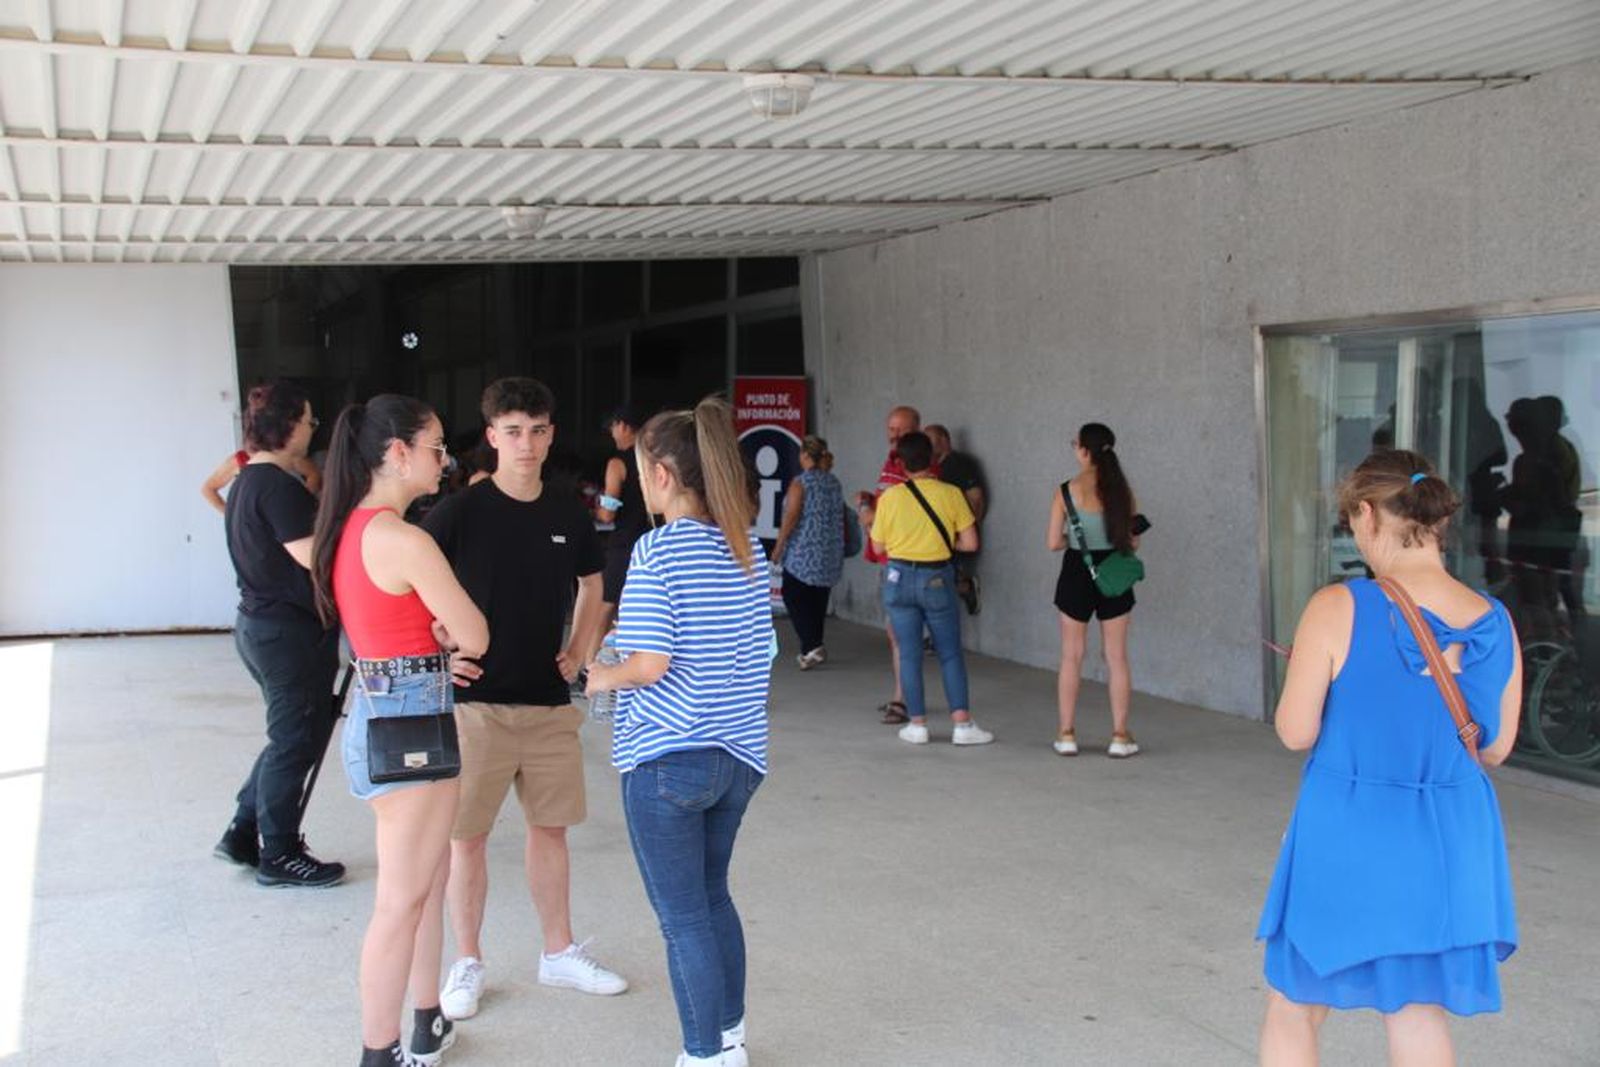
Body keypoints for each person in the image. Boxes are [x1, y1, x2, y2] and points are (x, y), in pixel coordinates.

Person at [1256, 449, 1520, 1066]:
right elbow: (1496, 747)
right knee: (1418, 1011)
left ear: (1368, 514)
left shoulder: (1338, 606)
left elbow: (1296, 731)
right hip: (1450, 834)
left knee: (1295, 1001)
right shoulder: (1498, 620)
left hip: (1349, 825)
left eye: (1352, 521)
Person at [422, 378, 624, 1022]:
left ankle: (558, 951)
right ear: (491, 437)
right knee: (467, 839)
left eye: (537, 430)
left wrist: (582, 649)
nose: (526, 443)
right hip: (475, 704)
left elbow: (593, 584)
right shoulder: (460, 511)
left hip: (546, 703)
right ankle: (468, 961)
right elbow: (410, 580)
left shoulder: (566, 510)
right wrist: (437, 647)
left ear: (551, 434)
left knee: (551, 831)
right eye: (512, 431)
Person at [585, 396, 774, 1067]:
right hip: (738, 754)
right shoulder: (748, 545)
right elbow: (759, 649)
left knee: (683, 915)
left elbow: (649, 662)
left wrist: (597, 676)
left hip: (667, 756)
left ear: (662, 472)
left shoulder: (658, 549)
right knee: (713, 898)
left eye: (641, 468)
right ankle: (729, 1038)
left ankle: (704, 1055)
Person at [310, 395, 489, 1067]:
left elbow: (396, 630)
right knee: (400, 900)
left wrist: (436, 642)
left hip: (384, 711)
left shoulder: (351, 530)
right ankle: (378, 1052)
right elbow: (476, 632)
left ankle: (426, 1021)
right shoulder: (403, 538)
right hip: (410, 723)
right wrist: (449, 639)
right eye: (437, 446)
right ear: (397, 452)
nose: (446, 459)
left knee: (425, 878)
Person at [212, 381, 346, 887]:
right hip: (287, 636)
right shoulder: (278, 488)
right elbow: (315, 563)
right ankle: (280, 852)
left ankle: (244, 830)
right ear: (288, 426)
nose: (312, 429)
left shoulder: (247, 481)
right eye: (310, 420)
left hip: (260, 627)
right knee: (294, 741)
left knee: (288, 735)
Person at [870, 431, 993, 746]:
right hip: (936, 579)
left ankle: (918, 725)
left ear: (901, 463)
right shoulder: (950, 494)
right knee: (950, 654)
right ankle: (962, 725)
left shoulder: (890, 498)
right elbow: (970, 542)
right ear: (934, 458)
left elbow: (878, 545)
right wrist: (938, 541)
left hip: (898, 579)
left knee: (908, 653)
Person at [1046, 422, 1143, 758]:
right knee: (1116, 656)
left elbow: (1052, 542)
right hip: (1113, 571)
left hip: (1076, 569)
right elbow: (1133, 541)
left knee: (1072, 654)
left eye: (1075, 443)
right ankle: (1119, 735)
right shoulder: (1122, 490)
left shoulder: (1065, 491)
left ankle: (1067, 733)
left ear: (1084, 449)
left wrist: (1073, 539)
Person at [854, 405, 937, 724]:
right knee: (897, 634)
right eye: (890, 428)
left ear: (917, 429)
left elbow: (901, 512)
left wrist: (867, 510)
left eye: (900, 429)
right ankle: (904, 694)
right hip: (888, 559)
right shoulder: (892, 463)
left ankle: (904, 701)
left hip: (908, 562)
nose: (894, 435)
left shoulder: (919, 466)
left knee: (905, 635)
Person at [772, 434, 846, 669]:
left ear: (804, 455)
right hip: (829, 549)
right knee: (817, 599)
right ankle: (812, 647)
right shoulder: (833, 481)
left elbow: (791, 516)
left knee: (793, 595)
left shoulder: (800, 483)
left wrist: (779, 545)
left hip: (803, 551)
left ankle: (812, 645)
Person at [597, 405, 652, 628]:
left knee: (606, 605)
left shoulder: (617, 464)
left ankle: (590, 660)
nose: (612, 433)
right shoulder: (657, 460)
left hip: (626, 542)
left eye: (612, 427)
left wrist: (599, 510)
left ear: (623, 426)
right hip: (654, 540)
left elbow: (608, 515)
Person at [925, 424, 986, 615]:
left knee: (940, 583)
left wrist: (968, 529)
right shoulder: (932, 469)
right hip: (936, 535)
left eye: (931, 440)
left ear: (944, 439)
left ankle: (966, 587)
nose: (927, 446)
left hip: (955, 536)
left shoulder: (960, 464)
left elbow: (976, 499)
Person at [203, 442, 322, 514]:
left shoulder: (283, 453)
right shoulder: (239, 459)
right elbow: (208, 489)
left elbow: (313, 474)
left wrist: (301, 504)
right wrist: (231, 515)